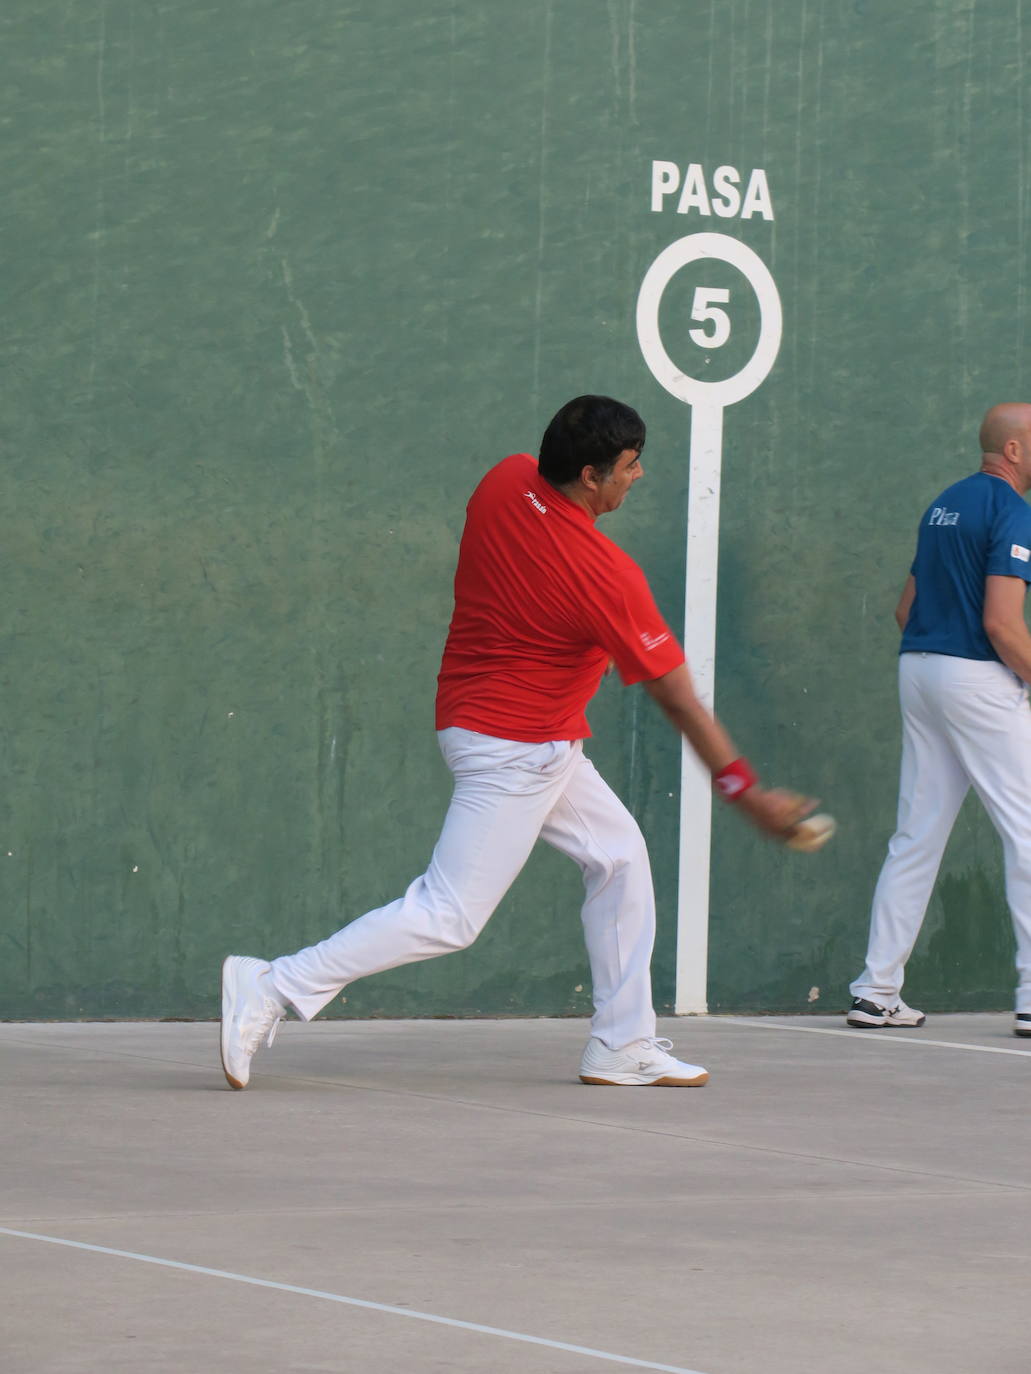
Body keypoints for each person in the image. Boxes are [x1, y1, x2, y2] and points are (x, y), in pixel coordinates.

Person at [220, 395, 814, 1091]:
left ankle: (623, 1044)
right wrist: (745, 794)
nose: (639, 476)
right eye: (628, 466)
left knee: (619, 859)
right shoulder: (606, 575)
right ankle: (272, 983)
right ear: (590, 476)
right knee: (449, 914)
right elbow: (677, 698)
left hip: (490, 726)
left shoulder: (504, 480)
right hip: (515, 747)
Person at [847, 403, 1031, 1036]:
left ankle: (875, 991)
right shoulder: (1012, 512)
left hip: (919, 671)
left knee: (917, 834)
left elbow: (907, 608)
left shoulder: (942, 505)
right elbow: (1002, 624)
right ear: (1012, 450)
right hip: (973, 678)